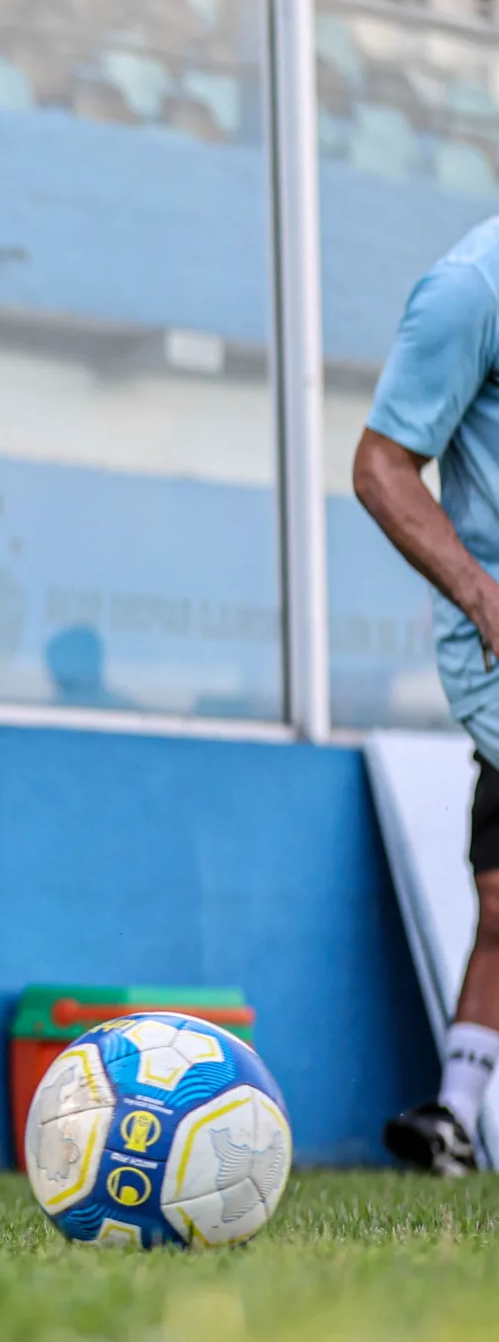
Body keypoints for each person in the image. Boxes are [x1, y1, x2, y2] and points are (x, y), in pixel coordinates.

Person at [355, 216, 499, 1175]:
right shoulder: (470, 289)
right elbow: (381, 465)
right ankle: (453, 1112)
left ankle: (452, 1111)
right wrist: (479, 590)